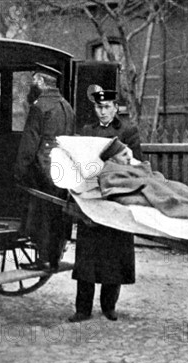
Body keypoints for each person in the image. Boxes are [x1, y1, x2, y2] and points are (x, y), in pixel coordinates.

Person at [69, 88, 142, 322]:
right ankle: (83, 309)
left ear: (115, 107)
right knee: (87, 257)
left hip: (115, 199)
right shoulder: (87, 131)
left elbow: (135, 165)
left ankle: (109, 306)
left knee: (114, 255)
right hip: (91, 200)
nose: (102, 111)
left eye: (107, 106)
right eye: (99, 107)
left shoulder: (128, 132)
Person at [14, 68, 75, 273]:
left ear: (40, 81)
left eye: (34, 80)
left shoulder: (40, 107)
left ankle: (42, 260)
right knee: (56, 214)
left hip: (43, 169)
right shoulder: (66, 106)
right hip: (62, 168)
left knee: (42, 214)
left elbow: (29, 144)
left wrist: (20, 172)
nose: (32, 85)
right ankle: (54, 258)